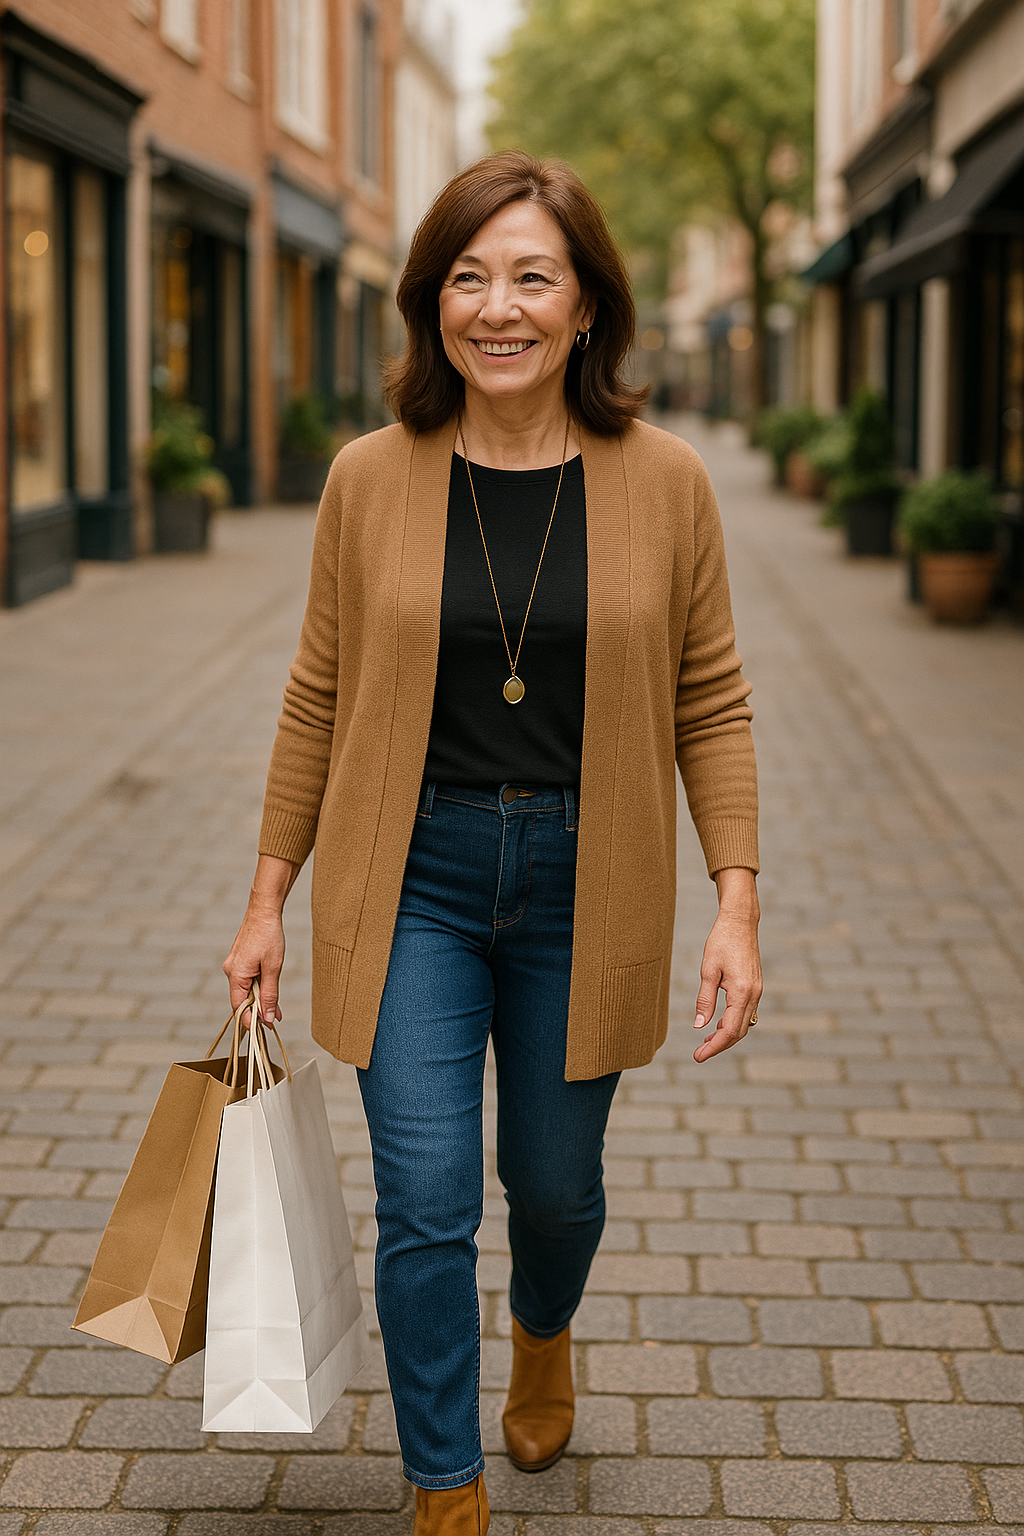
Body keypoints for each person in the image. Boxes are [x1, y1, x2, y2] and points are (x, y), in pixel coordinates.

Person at [224, 150, 762, 1536]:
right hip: (410, 881)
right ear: (431, 304)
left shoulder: (669, 482)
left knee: (556, 1189)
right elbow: (316, 692)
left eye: (532, 275)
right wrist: (266, 898)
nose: (498, 306)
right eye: (468, 277)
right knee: (424, 1199)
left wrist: (738, 906)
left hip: (595, 879)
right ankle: (443, 1488)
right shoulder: (367, 478)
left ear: (587, 307)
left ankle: (543, 1328)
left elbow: (711, 695)